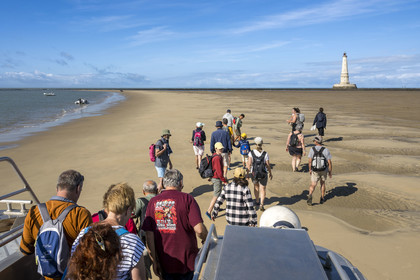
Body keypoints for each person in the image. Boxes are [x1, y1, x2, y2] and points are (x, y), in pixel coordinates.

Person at [20, 170, 92, 280]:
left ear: (57, 188)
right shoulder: (81, 214)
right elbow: (89, 253)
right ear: (78, 188)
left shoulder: (34, 212)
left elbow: (25, 250)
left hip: (46, 275)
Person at [142, 169, 208, 280]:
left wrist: (154, 260)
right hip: (187, 262)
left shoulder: (153, 202)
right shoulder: (187, 199)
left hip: (164, 261)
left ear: (163, 184)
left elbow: (149, 236)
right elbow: (200, 230)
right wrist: (206, 239)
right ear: (180, 183)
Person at [71, 183, 147, 280]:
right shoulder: (132, 241)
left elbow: (74, 267)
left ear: (107, 208)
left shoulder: (84, 233)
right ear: (128, 210)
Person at [133, 180, 158, 280]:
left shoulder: (141, 201)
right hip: (161, 237)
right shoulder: (160, 200)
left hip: (144, 238)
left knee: (145, 266)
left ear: (143, 191)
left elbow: (133, 214)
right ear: (156, 190)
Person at [247, 137, 273, 211]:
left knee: (256, 187)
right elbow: (268, 165)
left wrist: (247, 174)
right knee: (263, 188)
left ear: (255, 144)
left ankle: (257, 201)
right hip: (263, 173)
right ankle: (262, 204)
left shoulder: (251, 153)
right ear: (262, 144)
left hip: (254, 173)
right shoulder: (265, 153)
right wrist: (270, 173)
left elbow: (249, 164)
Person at [307, 136, 332, 206]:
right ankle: (322, 198)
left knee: (313, 184)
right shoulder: (326, 149)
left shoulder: (312, 149)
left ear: (316, 142)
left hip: (315, 170)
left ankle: (310, 194)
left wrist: (310, 169)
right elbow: (329, 162)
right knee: (322, 183)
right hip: (324, 169)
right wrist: (330, 171)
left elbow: (310, 161)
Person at [206, 142, 227, 219]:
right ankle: (209, 211)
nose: (221, 149)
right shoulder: (218, 157)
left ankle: (216, 207)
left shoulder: (214, 155)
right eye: (220, 148)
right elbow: (219, 172)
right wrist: (224, 180)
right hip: (217, 178)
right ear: (216, 148)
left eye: (221, 148)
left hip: (214, 177)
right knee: (216, 195)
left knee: (217, 193)